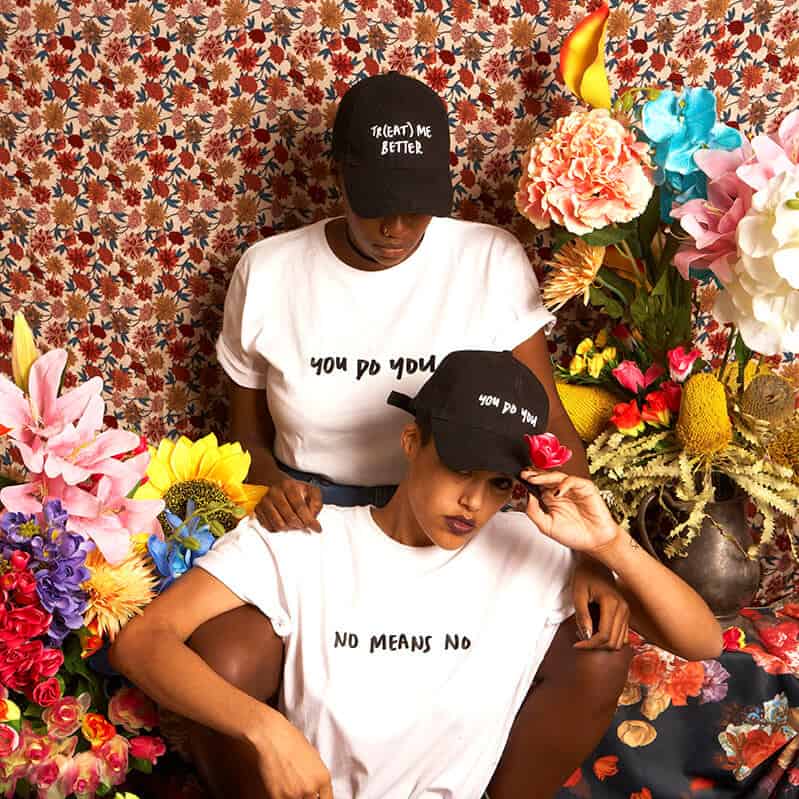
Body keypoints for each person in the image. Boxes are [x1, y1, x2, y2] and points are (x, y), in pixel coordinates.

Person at [193, 71, 633, 790]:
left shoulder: (487, 258)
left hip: (467, 527)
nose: (397, 228)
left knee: (599, 650)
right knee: (220, 662)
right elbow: (245, 439)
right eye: (377, 206)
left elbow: (548, 421)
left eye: (417, 207)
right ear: (338, 175)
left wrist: (587, 556)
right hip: (322, 533)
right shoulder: (268, 272)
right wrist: (271, 485)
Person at [111, 350, 722, 799]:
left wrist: (609, 543)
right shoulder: (304, 541)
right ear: (412, 442)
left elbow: (702, 642)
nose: (473, 503)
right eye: (460, 469)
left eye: (498, 484)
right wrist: (266, 731)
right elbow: (142, 640)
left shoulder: (533, 553)